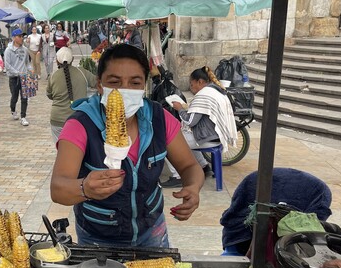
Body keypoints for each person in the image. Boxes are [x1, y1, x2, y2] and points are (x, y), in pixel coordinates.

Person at [50, 44, 204, 247]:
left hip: (151, 231)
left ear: (144, 86)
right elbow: (58, 188)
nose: (124, 90)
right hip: (97, 237)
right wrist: (84, 188)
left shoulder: (159, 119)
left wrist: (193, 188)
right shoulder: (81, 124)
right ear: (99, 85)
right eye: (114, 82)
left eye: (135, 82)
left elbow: (189, 166)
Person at [163, 66, 238, 188]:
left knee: (169, 142)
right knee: (186, 139)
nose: (191, 88)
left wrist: (180, 109)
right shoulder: (216, 90)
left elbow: (190, 121)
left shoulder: (204, 95)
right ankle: (204, 166)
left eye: (191, 84)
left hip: (209, 137)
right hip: (216, 135)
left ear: (200, 82)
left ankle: (177, 176)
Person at [46, 47, 96, 143]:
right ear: (72, 59)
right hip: (78, 119)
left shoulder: (53, 76)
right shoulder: (83, 72)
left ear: (57, 60)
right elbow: (98, 83)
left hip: (57, 120)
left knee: (61, 150)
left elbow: (49, 95)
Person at [4, 28, 32, 127]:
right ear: (14, 38)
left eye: (22, 36)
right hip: (14, 78)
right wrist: (17, 73)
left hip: (24, 76)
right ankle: (13, 109)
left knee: (25, 97)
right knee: (14, 96)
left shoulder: (24, 49)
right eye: (19, 36)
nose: (21, 38)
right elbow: (7, 66)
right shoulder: (8, 50)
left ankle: (23, 116)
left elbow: (27, 63)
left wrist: (30, 69)